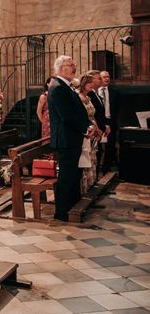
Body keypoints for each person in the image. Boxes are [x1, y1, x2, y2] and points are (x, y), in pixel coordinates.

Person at [48, 56, 92, 221]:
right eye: (70, 65)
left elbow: (78, 111)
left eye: (74, 64)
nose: (74, 67)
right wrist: (85, 128)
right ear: (60, 69)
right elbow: (66, 116)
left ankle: (73, 207)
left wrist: (87, 125)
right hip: (66, 139)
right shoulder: (58, 87)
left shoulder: (66, 86)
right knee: (67, 176)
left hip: (72, 137)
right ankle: (61, 213)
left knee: (74, 175)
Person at [78, 74, 101, 193]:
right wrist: (90, 129)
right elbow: (82, 117)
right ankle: (83, 187)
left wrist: (97, 129)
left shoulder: (89, 98)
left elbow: (93, 116)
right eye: (89, 83)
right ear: (84, 83)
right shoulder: (79, 97)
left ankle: (91, 184)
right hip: (85, 130)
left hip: (93, 128)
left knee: (92, 157)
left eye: (92, 83)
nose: (92, 85)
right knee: (85, 158)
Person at [99, 71, 119, 172]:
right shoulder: (95, 92)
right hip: (99, 121)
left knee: (110, 146)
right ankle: (97, 168)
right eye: (104, 77)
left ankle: (106, 168)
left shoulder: (115, 92)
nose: (107, 79)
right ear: (99, 79)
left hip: (110, 120)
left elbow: (118, 108)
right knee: (98, 146)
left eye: (108, 77)